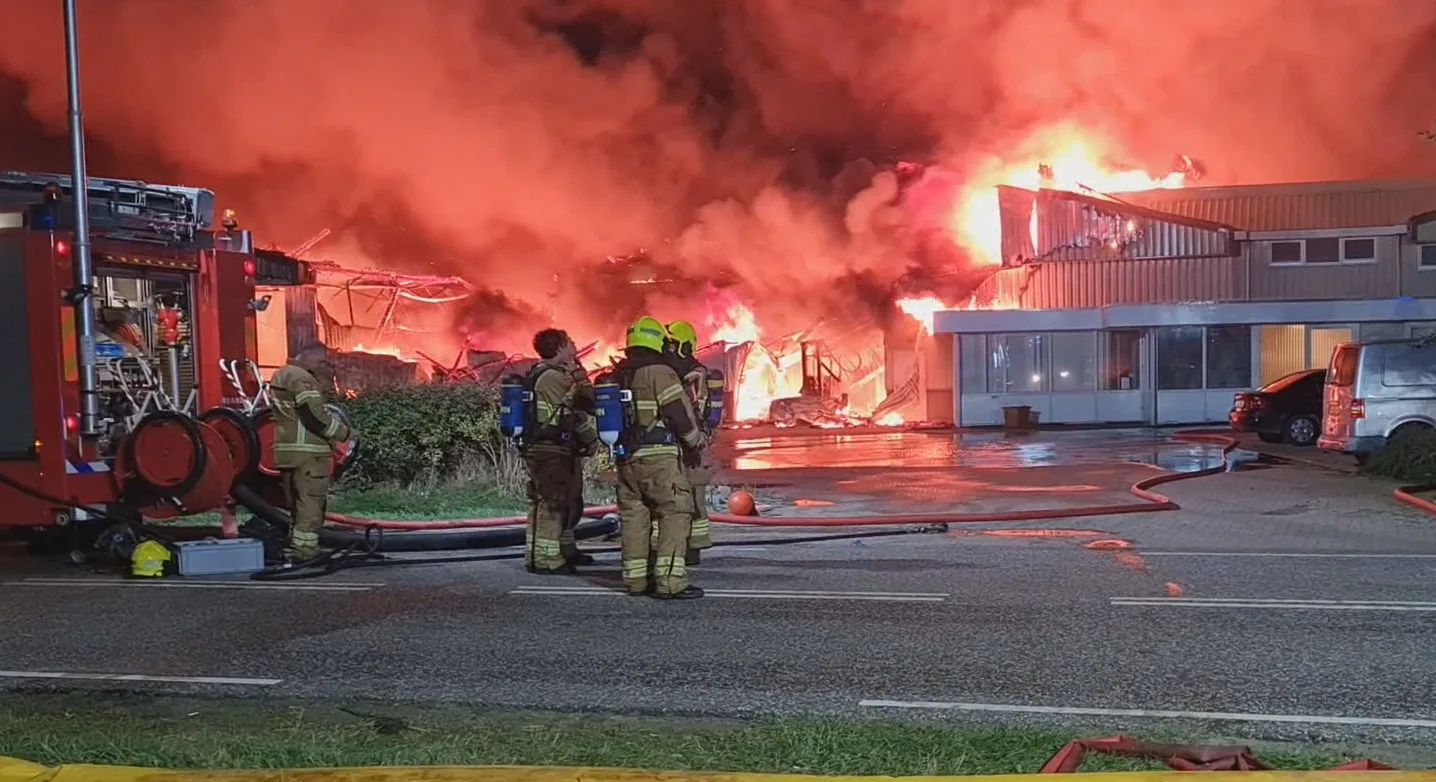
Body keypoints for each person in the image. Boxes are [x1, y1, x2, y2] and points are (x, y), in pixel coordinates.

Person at [612, 315, 706, 599]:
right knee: (675, 512)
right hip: (660, 460)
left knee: (634, 518)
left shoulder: (619, 374)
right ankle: (669, 582)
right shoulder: (659, 372)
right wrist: (694, 440)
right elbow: (676, 411)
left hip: (626, 460)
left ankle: (636, 581)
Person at [521, 328, 599, 574]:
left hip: (555, 447)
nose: (575, 345)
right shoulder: (554, 378)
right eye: (571, 342)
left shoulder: (541, 373)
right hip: (550, 448)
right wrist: (592, 439)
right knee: (553, 502)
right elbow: (582, 406)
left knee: (566, 499)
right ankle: (546, 559)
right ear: (561, 347)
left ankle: (564, 549)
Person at [270, 342, 353, 561]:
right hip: (309, 454)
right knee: (310, 505)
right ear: (306, 355)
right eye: (320, 360)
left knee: (297, 505)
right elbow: (315, 416)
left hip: (287, 452)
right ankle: (305, 551)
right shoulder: (301, 377)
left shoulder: (282, 374)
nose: (321, 365)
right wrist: (344, 433)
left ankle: (295, 546)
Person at [664, 320, 715, 565]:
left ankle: (690, 548)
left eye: (672, 345)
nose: (669, 350)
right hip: (681, 442)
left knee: (690, 497)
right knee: (677, 497)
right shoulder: (678, 371)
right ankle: (681, 549)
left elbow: (695, 409)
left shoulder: (692, 373)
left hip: (687, 444)